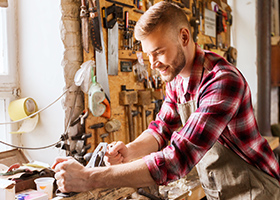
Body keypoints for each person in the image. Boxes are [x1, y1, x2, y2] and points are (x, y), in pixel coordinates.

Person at [52, 2, 280, 199]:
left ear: (183, 37)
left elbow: (178, 159)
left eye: (159, 52)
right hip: (221, 191)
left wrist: (87, 178)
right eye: (149, 54)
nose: (153, 64)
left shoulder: (222, 82)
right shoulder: (177, 78)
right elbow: (161, 129)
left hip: (256, 191)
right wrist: (129, 152)